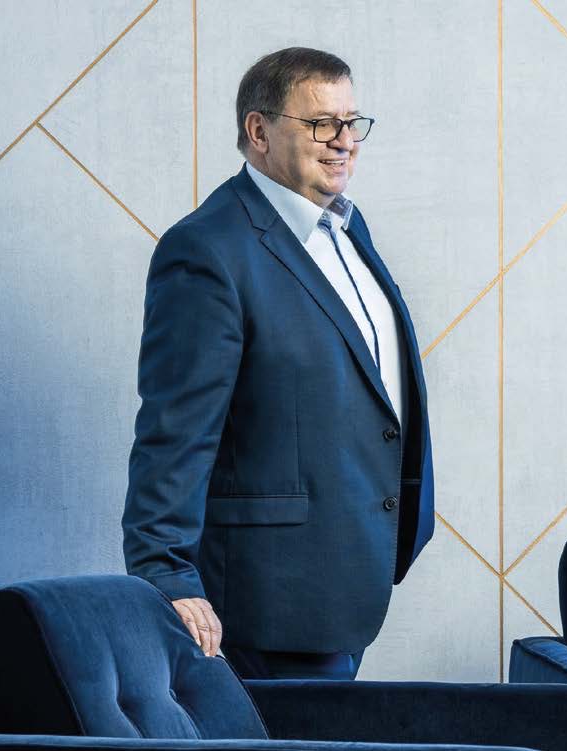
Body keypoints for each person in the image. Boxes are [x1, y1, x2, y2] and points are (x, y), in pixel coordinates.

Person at [123, 47, 433, 680]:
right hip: (270, 598)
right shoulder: (207, 250)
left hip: (346, 572)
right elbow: (175, 432)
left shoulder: (345, 228)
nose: (344, 140)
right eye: (321, 123)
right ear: (259, 131)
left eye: (351, 122)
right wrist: (165, 572)